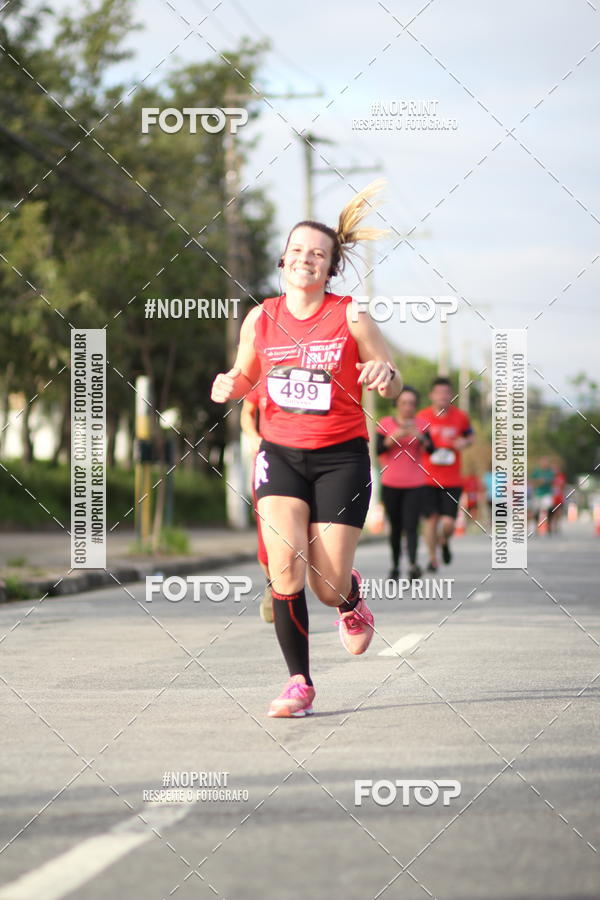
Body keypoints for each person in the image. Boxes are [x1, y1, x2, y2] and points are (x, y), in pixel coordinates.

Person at [211, 182, 402, 718]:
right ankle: (300, 682)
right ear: (283, 259)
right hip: (280, 455)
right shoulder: (261, 317)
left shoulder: (351, 316)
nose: (305, 260)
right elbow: (247, 374)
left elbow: (389, 379)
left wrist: (385, 374)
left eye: (317, 254)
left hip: (341, 458)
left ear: (331, 267)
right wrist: (229, 382)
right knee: (285, 568)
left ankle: (349, 597)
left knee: (324, 584)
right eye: (297, 251)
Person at [416, 377, 474, 571]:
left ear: (451, 395)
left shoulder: (461, 417)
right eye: (438, 392)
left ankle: (444, 541)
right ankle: (433, 559)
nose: (442, 396)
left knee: (448, 523)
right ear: (432, 395)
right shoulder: (422, 417)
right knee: (430, 519)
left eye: (446, 392)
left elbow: (470, 436)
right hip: (426, 478)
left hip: (452, 479)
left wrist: (465, 443)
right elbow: (414, 441)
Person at [376, 386, 433, 581]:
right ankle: (394, 566)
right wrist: (393, 438)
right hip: (391, 483)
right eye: (403, 403)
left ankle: (413, 564)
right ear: (396, 404)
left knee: (411, 526)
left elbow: (432, 450)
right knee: (396, 527)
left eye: (411, 403)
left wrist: (421, 437)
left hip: (415, 484)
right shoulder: (385, 423)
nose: (408, 407)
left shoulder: (423, 424)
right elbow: (377, 450)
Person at [240, 388, 273, 623]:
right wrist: (253, 436)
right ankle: (274, 584)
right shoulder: (267, 365)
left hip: (317, 462)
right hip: (269, 461)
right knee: (267, 536)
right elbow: (247, 412)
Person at [531, 456, 555, 534]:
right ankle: (536, 526)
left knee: (548, 508)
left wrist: (544, 481)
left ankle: (548, 525)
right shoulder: (537, 471)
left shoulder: (550, 472)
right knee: (536, 510)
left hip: (546, 493)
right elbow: (532, 481)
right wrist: (538, 482)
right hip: (538, 493)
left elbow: (552, 481)